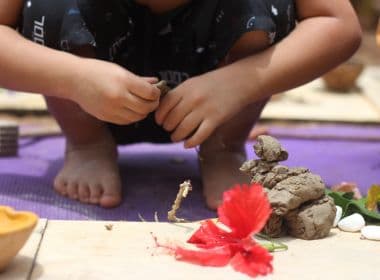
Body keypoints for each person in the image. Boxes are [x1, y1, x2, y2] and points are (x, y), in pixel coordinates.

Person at [0, 0, 361, 209]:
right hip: (89, 94)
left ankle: (223, 148)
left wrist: (241, 81)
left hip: (219, 96)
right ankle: (88, 144)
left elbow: (338, 24)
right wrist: (72, 78)